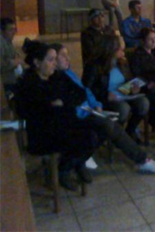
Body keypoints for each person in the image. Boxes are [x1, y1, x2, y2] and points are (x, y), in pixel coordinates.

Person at [50, 43, 155, 173]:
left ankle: (141, 159)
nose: (68, 58)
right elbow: (72, 101)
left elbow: (86, 91)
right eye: (63, 56)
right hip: (79, 116)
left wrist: (96, 105)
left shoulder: (69, 72)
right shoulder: (57, 79)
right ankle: (141, 160)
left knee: (116, 122)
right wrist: (95, 105)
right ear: (53, 61)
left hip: (90, 110)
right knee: (110, 125)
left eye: (67, 55)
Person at [15, 40, 98, 190]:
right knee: (86, 138)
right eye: (50, 60)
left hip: (64, 123)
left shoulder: (57, 76)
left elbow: (80, 93)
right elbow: (26, 111)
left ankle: (69, 166)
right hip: (42, 133)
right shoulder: (28, 83)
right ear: (37, 63)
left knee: (98, 129)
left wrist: (63, 102)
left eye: (55, 59)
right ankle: (68, 168)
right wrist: (51, 105)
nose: (54, 64)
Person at [82, 35, 150, 144]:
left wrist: (132, 87)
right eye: (121, 49)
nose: (123, 52)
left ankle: (130, 130)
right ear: (112, 49)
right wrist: (106, 95)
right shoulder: (94, 65)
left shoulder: (121, 62)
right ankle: (117, 136)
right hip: (106, 98)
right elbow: (87, 88)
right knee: (124, 108)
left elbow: (128, 79)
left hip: (123, 94)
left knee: (144, 103)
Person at [129, 28, 155, 144]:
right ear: (143, 41)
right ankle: (154, 119)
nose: (154, 41)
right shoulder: (137, 56)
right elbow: (137, 76)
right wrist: (152, 85)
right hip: (146, 86)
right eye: (150, 39)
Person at [0, 18, 22, 94]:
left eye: (14, 29)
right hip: (6, 82)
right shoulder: (1, 43)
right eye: (10, 30)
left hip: (13, 77)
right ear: (1, 31)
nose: (14, 32)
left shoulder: (7, 40)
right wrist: (13, 62)